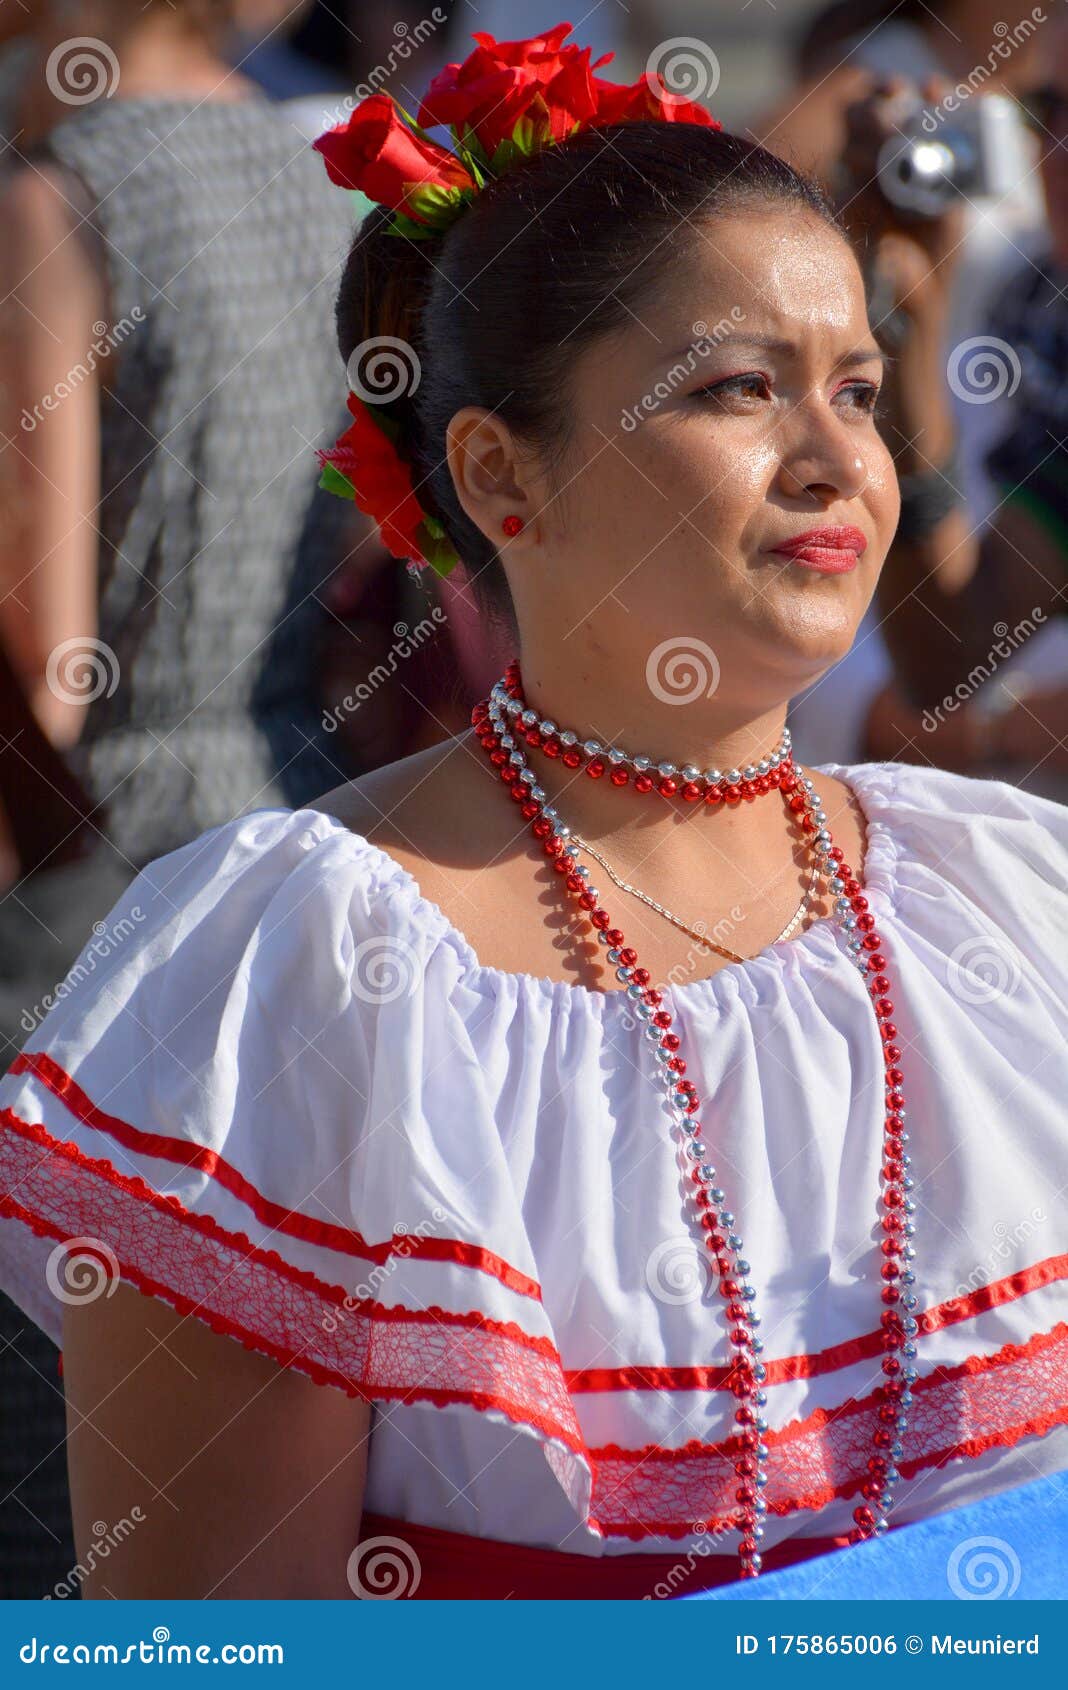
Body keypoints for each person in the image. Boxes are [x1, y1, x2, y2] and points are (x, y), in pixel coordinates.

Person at [0, 24, 1065, 1601]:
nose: (839, 456)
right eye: (736, 389)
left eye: (855, 380)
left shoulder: (1005, 898)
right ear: (504, 475)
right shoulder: (308, 972)